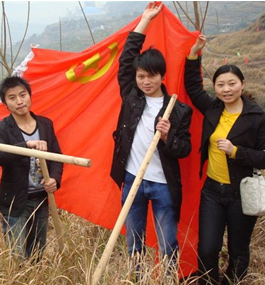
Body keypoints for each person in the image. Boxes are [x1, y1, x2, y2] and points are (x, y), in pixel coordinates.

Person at [110, 1, 192, 278]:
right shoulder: (131, 98)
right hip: (132, 178)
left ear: (162, 76)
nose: (146, 82)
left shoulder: (178, 109)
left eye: (152, 76)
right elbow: (127, 57)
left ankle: (169, 279)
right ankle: (137, 278)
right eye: (141, 76)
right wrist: (145, 20)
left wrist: (168, 136)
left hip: (163, 184)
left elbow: (185, 149)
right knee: (134, 240)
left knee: (168, 242)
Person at [185, 35, 265, 285]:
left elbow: (263, 157)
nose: (226, 89)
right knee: (207, 248)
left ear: (242, 84)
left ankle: (233, 282)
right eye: (221, 84)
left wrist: (236, 151)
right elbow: (193, 87)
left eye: (232, 83)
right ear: (216, 87)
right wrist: (194, 54)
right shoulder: (213, 109)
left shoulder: (256, 116)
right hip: (212, 191)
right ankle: (207, 281)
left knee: (238, 251)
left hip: (241, 192)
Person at [0, 76, 63, 260]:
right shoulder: (0, 129)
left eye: (23, 95)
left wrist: (54, 179)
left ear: (30, 95)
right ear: (5, 103)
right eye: (12, 98)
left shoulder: (45, 124)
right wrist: (26, 145)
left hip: (41, 199)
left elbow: (56, 157)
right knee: (16, 256)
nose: (19, 101)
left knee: (37, 253)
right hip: (15, 202)